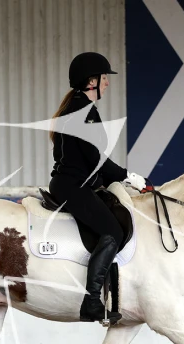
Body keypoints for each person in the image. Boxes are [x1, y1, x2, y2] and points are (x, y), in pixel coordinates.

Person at [49, 52, 146, 324]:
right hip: (73, 186)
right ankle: (92, 301)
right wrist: (127, 176)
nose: (107, 83)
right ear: (91, 81)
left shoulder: (77, 108)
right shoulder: (83, 112)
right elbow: (95, 158)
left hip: (73, 183)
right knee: (113, 230)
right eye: (104, 78)